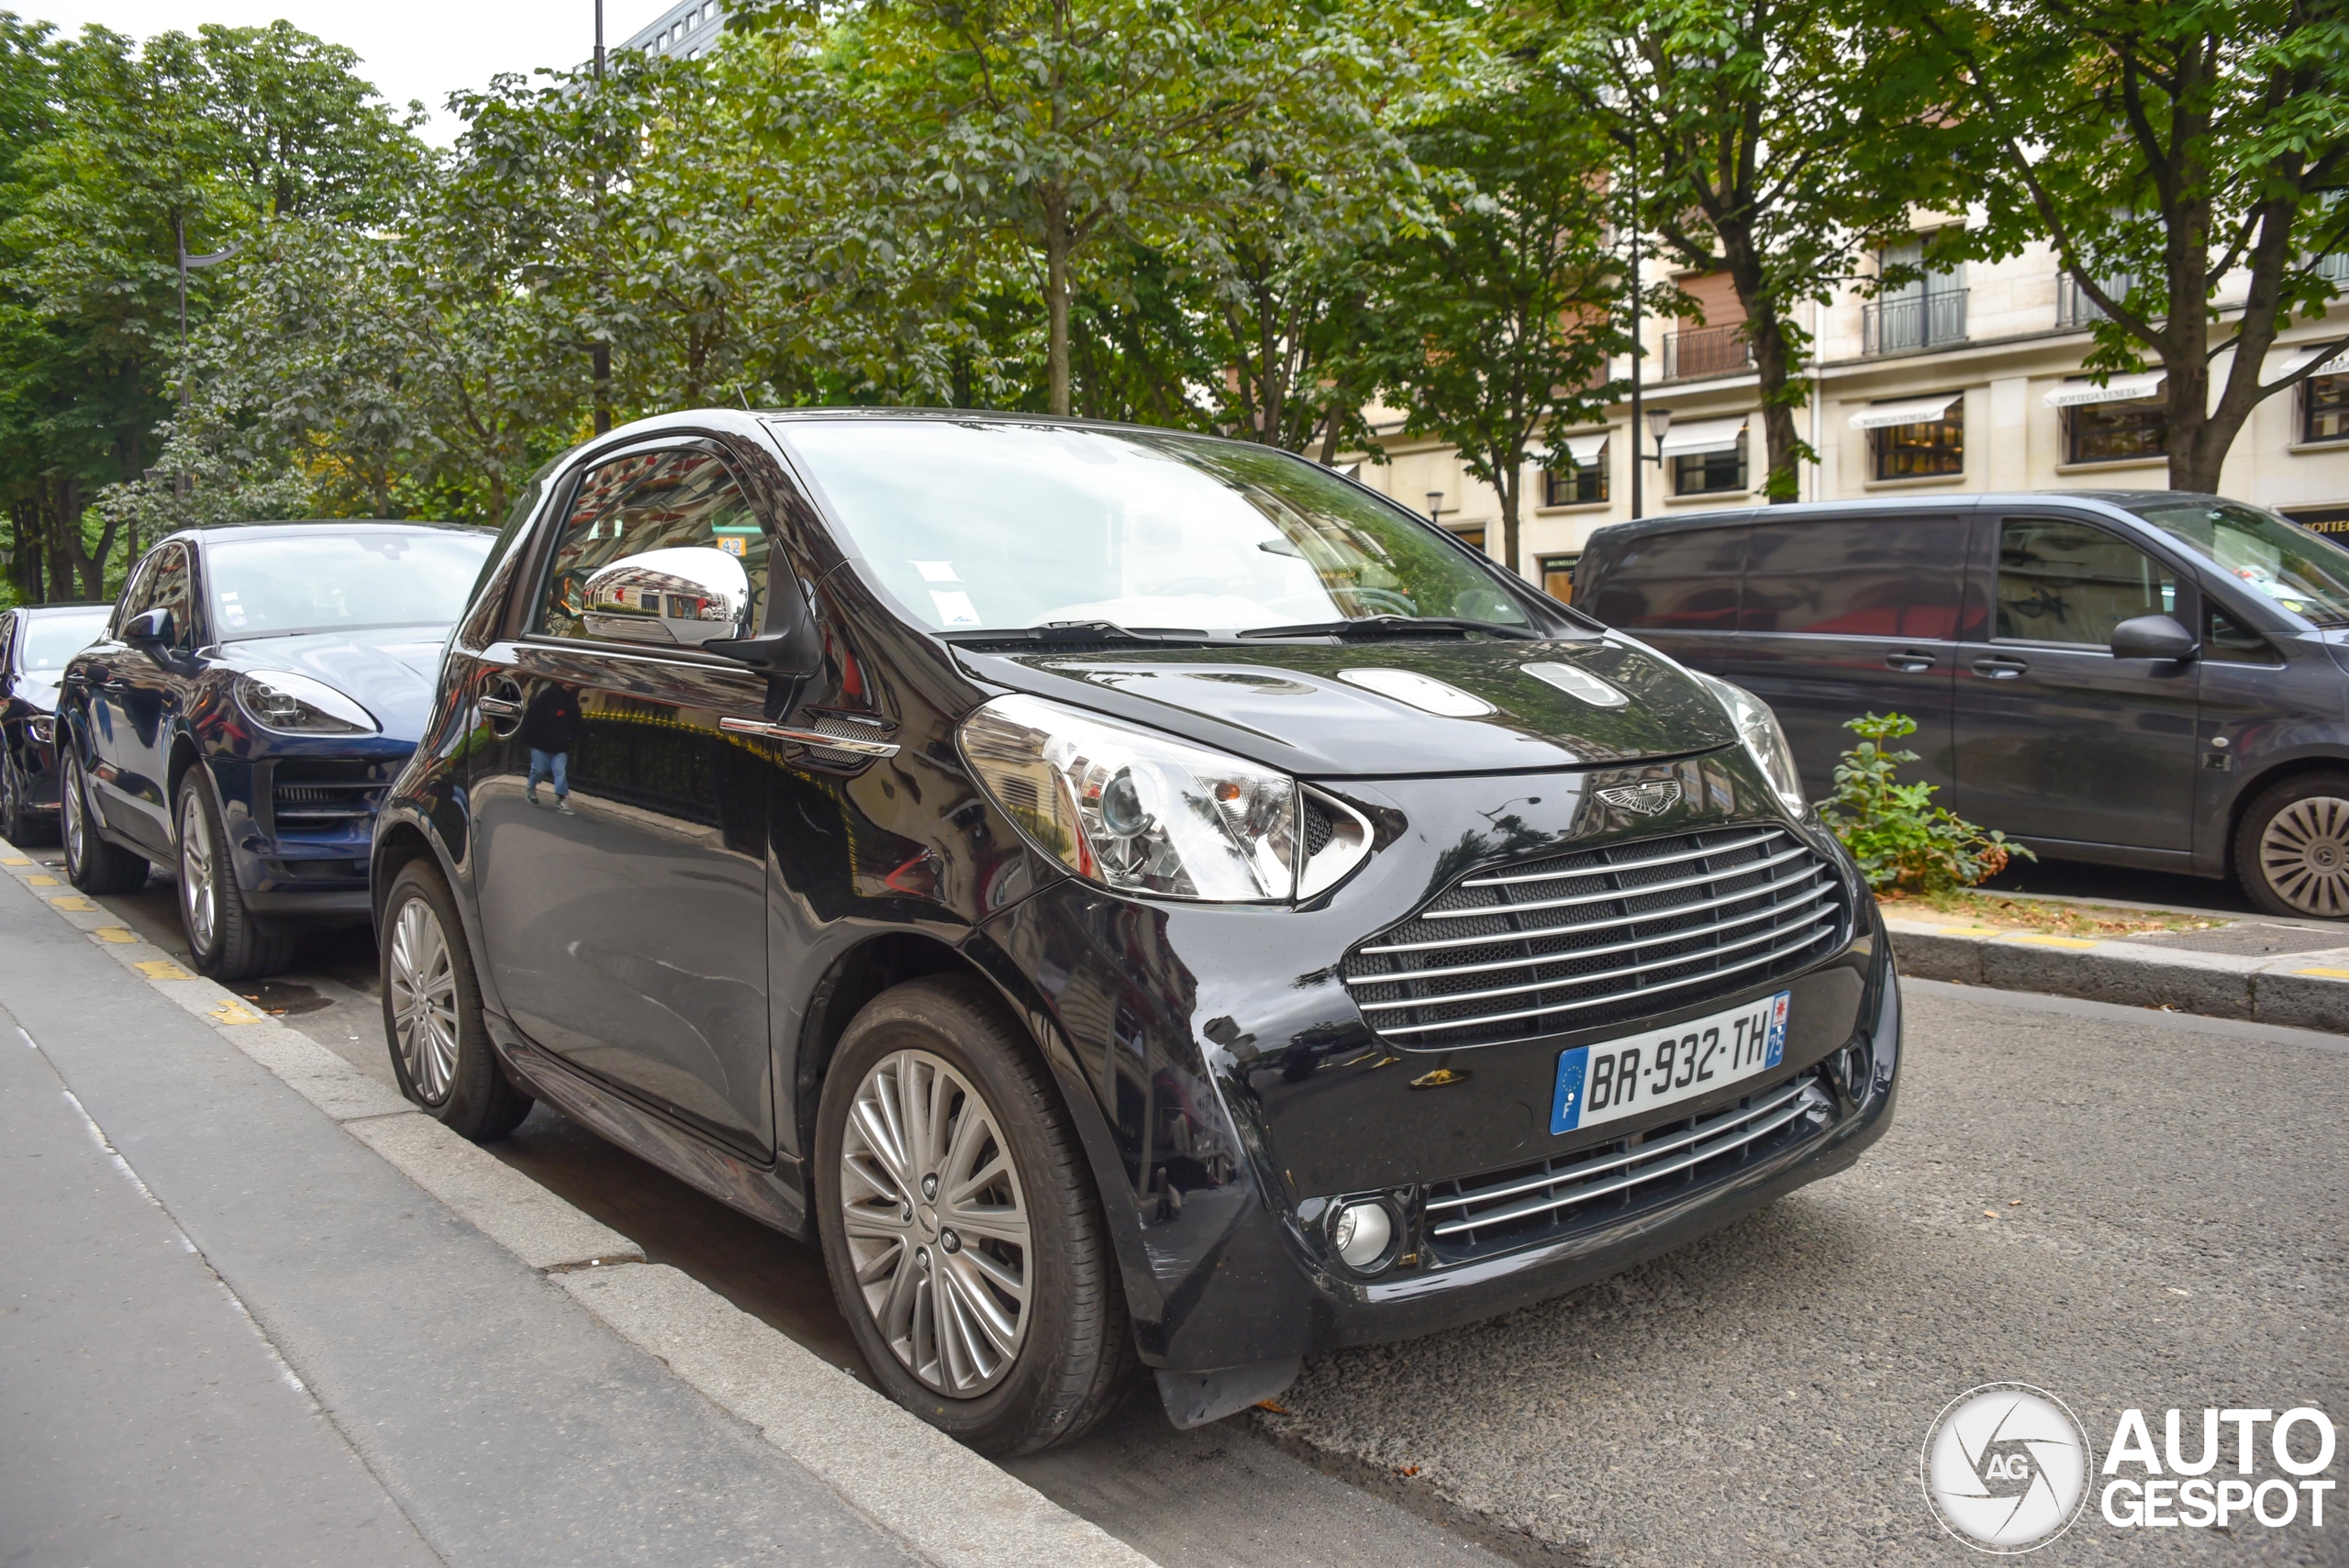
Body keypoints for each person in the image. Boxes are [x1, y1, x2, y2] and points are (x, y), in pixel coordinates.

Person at [519, 683, 583, 815]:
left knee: (560, 772)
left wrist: (570, 737)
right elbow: (533, 715)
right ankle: (531, 787)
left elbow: (576, 721)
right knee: (539, 770)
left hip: (560, 745)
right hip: (541, 742)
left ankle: (561, 800)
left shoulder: (572, 700)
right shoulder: (548, 695)